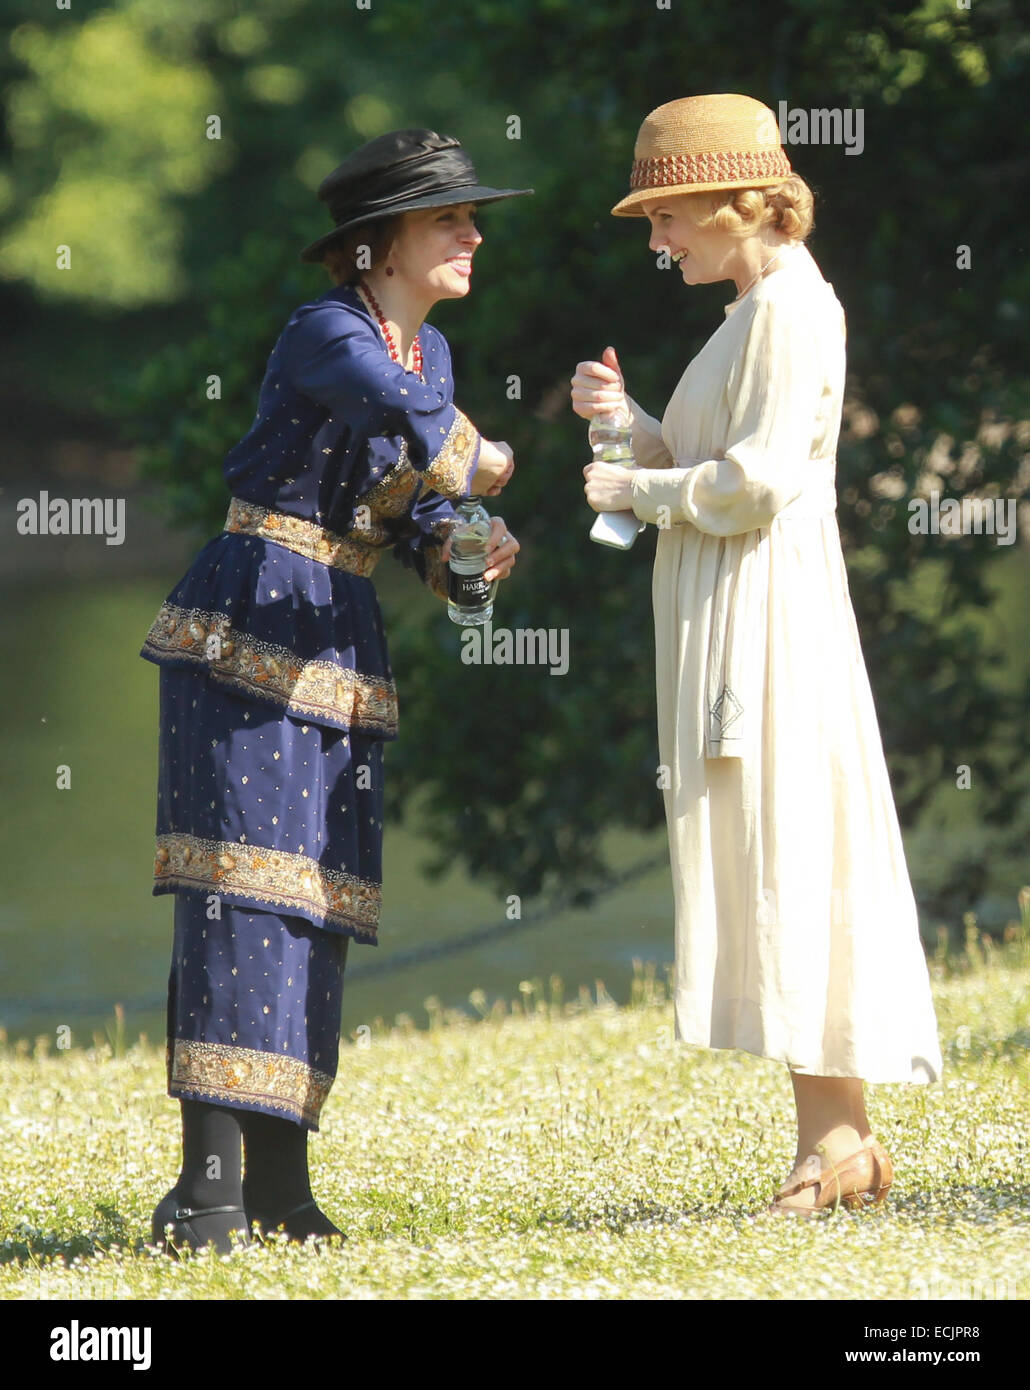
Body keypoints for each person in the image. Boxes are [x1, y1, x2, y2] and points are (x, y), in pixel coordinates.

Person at [141, 129, 529, 1253]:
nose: (473, 233)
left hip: (340, 631)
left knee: (318, 904)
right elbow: (402, 421)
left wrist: (463, 553)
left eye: (470, 215)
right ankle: (203, 1197)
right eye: (448, 216)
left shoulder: (435, 355)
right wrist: (477, 461)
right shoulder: (331, 331)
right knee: (240, 896)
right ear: (377, 245)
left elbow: (409, 504)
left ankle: (282, 1189)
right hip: (252, 618)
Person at [571, 94, 943, 1216]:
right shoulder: (755, 310)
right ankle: (837, 1140)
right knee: (773, 851)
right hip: (735, 604)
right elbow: (717, 459)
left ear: (734, 201)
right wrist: (629, 425)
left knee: (789, 848)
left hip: (766, 613)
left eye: (667, 214)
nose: (655, 241)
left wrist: (638, 486)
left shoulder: (787, 309)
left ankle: (831, 1143)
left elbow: (759, 480)